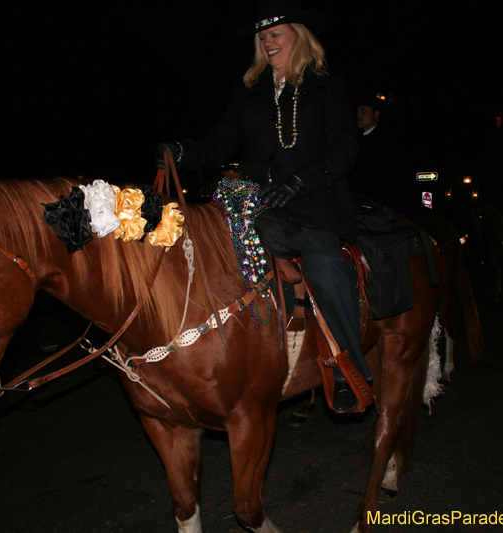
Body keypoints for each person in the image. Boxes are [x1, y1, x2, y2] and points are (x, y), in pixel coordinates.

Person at [155, 0, 372, 413]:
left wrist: (299, 181)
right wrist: (182, 151)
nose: (267, 42)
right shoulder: (248, 92)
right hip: (255, 202)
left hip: (314, 201)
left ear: (299, 36)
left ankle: (349, 367)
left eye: (275, 34)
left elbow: (346, 148)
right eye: (262, 37)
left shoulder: (327, 86)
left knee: (326, 269)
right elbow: (220, 144)